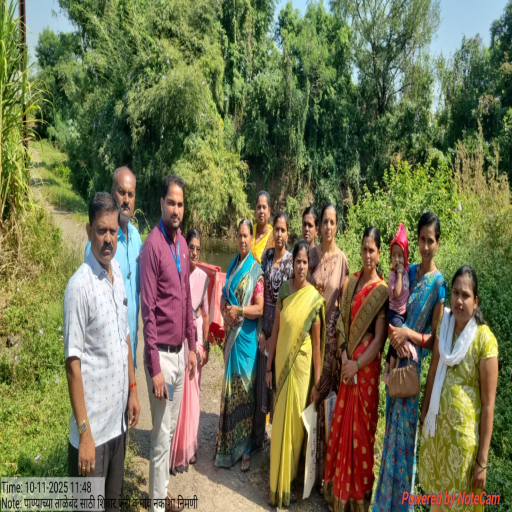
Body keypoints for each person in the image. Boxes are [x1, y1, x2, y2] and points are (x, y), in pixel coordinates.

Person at [64, 192, 140, 511]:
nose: (108, 238)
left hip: (117, 428)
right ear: (88, 231)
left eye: (112, 231)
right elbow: (73, 364)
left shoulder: (117, 274)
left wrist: (133, 389)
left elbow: (125, 338)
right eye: (101, 231)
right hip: (92, 435)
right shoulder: (79, 287)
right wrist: (84, 433)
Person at [373, 211, 447, 512]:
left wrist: (408, 334)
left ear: (438, 243)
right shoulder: (408, 271)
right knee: (390, 438)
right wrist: (395, 334)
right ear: (415, 240)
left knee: (404, 445)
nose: (425, 246)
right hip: (395, 365)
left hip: (411, 373)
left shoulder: (439, 285)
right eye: (421, 240)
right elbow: (393, 308)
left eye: (431, 241)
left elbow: (436, 340)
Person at [419, 266, 498, 512]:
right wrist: (424, 414)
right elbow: (433, 371)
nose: (459, 300)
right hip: (437, 439)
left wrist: (482, 462)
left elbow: (488, 405)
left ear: (476, 301)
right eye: (455, 293)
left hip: (463, 448)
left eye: (465, 295)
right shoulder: (445, 326)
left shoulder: (484, 340)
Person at [140, 175, 197, 512]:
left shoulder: (183, 246)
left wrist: (192, 345)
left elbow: (187, 299)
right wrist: (154, 369)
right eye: (171, 203)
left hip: (178, 355)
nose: (176, 209)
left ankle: (160, 495)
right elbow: (148, 312)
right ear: (161, 204)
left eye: (180, 204)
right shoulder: (153, 247)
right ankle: (157, 506)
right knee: (161, 438)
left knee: (169, 430)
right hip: (161, 357)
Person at [323, 227, 388, 512]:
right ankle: (338, 493)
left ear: (379, 253)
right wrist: (344, 356)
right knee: (341, 428)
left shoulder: (381, 292)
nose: (367, 255)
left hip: (365, 376)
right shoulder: (350, 284)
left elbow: (379, 338)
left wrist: (356, 364)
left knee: (360, 434)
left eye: (372, 250)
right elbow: (341, 324)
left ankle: (357, 499)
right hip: (348, 368)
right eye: (364, 249)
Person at [266, 240, 326, 508]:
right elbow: (276, 331)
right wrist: (269, 366)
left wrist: (317, 384)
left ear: (309, 265)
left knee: (295, 431)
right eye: (298, 261)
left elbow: (317, 346)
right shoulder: (284, 292)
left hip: (301, 371)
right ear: (292, 264)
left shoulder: (313, 299)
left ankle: (287, 483)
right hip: (281, 366)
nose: (301, 266)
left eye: (305, 262)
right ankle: (274, 485)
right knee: (279, 423)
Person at [215, 219, 264, 472]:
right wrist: (226, 308)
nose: (243, 240)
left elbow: (260, 308)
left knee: (245, 393)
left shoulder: (256, 270)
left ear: (252, 238)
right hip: (232, 337)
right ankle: (226, 445)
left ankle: (244, 450)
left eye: (246, 236)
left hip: (246, 341)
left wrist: (240, 310)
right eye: (240, 236)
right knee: (230, 392)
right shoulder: (234, 265)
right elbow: (225, 295)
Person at [84, 166, 143, 367]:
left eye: (131, 194)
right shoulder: (101, 242)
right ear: (112, 194)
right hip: (105, 356)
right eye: (121, 192)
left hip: (130, 347)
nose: (126, 200)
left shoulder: (136, 238)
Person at [308, 203, 350, 485]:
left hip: (330, 343)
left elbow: (344, 304)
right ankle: (304, 464)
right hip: (308, 334)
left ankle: (323, 472)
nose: (328, 227)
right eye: (324, 221)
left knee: (324, 397)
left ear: (337, 226)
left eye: (332, 222)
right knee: (307, 393)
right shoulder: (311, 255)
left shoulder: (343, 260)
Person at [169, 229, 210, 474]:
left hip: (197, 340)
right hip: (182, 338)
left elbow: (205, 314)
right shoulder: (179, 271)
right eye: (191, 248)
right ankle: (176, 449)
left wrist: (205, 346)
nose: (194, 252)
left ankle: (190, 447)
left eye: (198, 249)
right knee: (180, 394)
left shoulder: (203, 278)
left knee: (194, 396)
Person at [254, 212, 294, 450]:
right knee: (262, 383)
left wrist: (275, 339)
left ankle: (277, 446)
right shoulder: (267, 256)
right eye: (276, 229)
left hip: (281, 330)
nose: (279, 234)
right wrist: (262, 331)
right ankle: (258, 439)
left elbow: (288, 303)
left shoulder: (291, 262)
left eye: (283, 230)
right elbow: (259, 290)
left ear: (288, 233)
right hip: (264, 328)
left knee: (276, 385)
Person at [382, 223, 413, 386]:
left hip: (402, 314)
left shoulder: (407, 272)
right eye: (394, 256)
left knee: (393, 343)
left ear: (405, 256)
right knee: (397, 341)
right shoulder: (394, 275)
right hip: (394, 313)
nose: (397, 259)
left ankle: (387, 372)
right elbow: (397, 292)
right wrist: (400, 274)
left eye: (400, 255)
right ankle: (392, 373)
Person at [252, 190, 274, 263]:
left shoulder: (273, 237)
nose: (261, 211)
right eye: (259, 207)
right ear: (255, 210)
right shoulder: (250, 231)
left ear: (269, 211)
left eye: (264, 207)